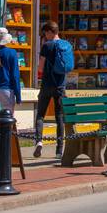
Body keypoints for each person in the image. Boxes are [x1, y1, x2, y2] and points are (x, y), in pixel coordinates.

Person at [34, 21, 74, 158]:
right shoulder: (66, 45)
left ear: (51, 32)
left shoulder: (47, 46)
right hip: (60, 86)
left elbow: (40, 68)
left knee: (40, 115)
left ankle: (39, 142)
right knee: (59, 118)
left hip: (46, 85)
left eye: (45, 33)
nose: (45, 36)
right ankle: (59, 150)